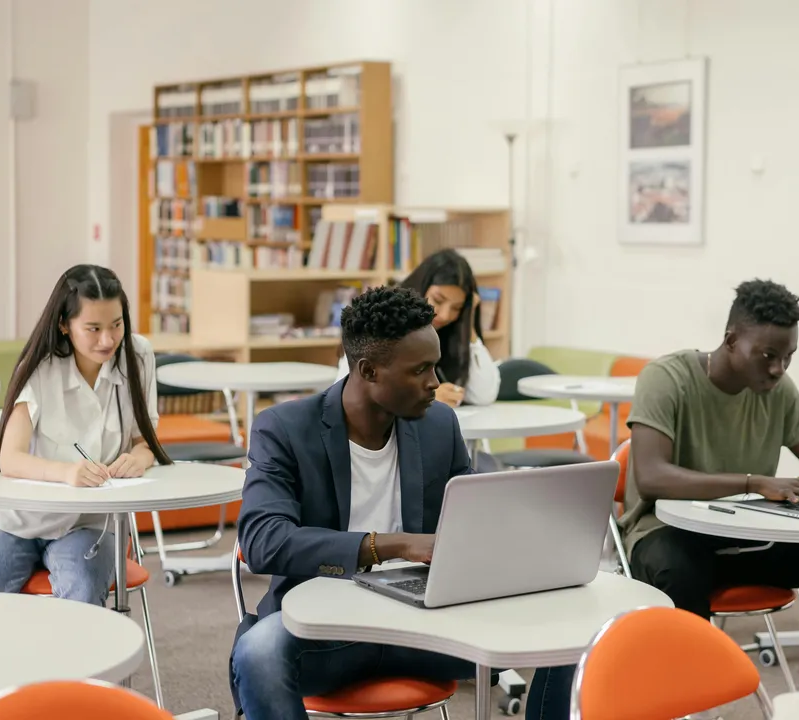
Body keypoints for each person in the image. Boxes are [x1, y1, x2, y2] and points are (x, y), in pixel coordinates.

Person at [230, 285, 572, 720]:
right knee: (258, 651)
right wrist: (394, 545)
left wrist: (519, 530)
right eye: (421, 370)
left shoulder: (439, 425)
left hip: (424, 626)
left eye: (436, 367)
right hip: (327, 628)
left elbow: (468, 516)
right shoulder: (283, 428)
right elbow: (264, 542)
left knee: (570, 629)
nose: (435, 383)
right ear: (369, 370)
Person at [621, 278, 799, 688]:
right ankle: (689, 701)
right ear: (731, 340)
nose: (778, 369)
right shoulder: (667, 378)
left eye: (788, 357)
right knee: (678, 570)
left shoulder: (778, 391)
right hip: (669, 536)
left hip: (751, 539)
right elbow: (650, 477)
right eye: (768, 355)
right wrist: (755, 482)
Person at [0, 264, 170, 605]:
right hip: (18, 518)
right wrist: (67, 473)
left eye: (116, 325)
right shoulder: (40, 364)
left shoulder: (138, 356)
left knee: (82, 602)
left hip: (89, 524)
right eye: (93, 328)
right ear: (64, 325)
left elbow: (145, 441)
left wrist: (139, 459)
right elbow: (9, 458)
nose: (108, 339)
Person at [335, 249, 500, 407]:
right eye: (438, 301)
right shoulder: (380, 321)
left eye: (457, 308)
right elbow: (348, 394)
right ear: (420, 288)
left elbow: (484, 395)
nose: (444, 315)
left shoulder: (449, 334)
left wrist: (468, 325)